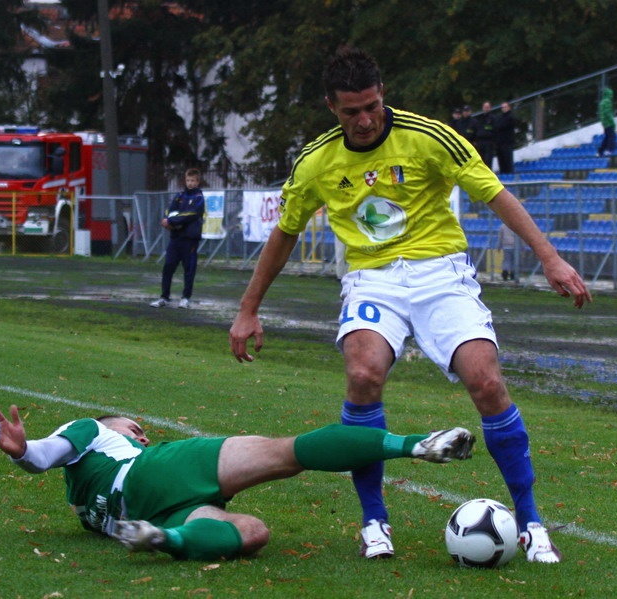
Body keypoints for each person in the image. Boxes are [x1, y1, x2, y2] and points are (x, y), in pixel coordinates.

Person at [229, 46, 591, 564]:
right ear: (332, 107)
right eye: (351, 111)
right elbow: (284, 233)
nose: (365, 119)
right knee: (363, 374)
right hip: (372, 279)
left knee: (487, 381)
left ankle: (531, 520)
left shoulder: (428, 137)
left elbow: (496, 194)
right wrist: (248, 308)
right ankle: (374, 521)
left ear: (383, 96)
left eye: (372, 106)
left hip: (441, 273)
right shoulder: (316, 161)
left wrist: (550, 259)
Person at [0, 403, 475, 561]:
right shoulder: (90, 430)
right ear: (109, 424)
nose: (141, 432)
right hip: (158, 475)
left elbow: (39, 461)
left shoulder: (86, 500)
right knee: (282, 465)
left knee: (262, 508)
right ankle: (415, 443)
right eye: (133, 427)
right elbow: (46, 454)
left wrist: (23, 455)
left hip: (154, 502)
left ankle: (167, 541)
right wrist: (24, 450)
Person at [150, 168, 205, 308]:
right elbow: (170, 210)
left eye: (193, 180)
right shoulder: (179, 195)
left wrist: (174, 222)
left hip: (190, 240)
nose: (190, 183)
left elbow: (191, 214)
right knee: (168, 267)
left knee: (189, 269)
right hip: (176, 239)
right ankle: (164, 297)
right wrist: (168, 220)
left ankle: (185, 298)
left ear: (198, 182)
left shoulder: (199, 198)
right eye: (188, 180)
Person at [493, 101, 517, 174]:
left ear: (509, 107)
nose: (503, 109)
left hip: (507, 141)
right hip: (500, 141)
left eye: (505, 107)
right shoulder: (499, 117)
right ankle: (503, 172)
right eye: (502, 107)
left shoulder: (510, 117)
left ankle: (509, 173)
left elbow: (501, 126)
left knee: (507, 159)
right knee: (501, 159)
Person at [476, 101, 497, 169]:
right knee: (481, 159)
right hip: (480, 142)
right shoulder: (480, 118)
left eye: (487, 107)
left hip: (489, 142)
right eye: (485, 107)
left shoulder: (493, 118)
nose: (486, 108)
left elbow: (495, 130)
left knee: (488, 160)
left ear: (490, 108)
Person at [597, 88, 616, 158]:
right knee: (612, 136)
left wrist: (603, 122)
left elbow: (602, 114)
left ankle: (600, 151)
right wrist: (612, 122)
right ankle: (609, 150)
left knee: (607, 137)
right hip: (608, 122)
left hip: (604, 123)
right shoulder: (607, 101)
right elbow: (608, 113)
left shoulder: (602, 102)